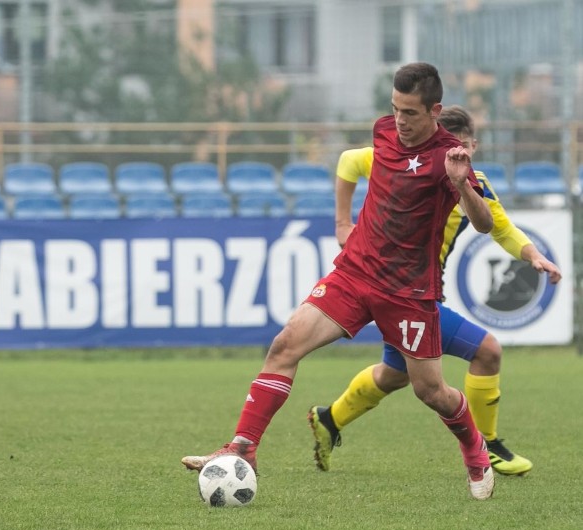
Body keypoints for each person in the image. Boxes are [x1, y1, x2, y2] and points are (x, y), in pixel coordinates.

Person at [182, 62, 498, 500]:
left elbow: (483, 224)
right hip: (355, 272)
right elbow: (352, 165)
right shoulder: (383, 131)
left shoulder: (450, 157)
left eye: (410, 113)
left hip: (407, 291)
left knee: (431, 391)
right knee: (284, 346)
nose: (400, 121)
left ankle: (474, 447)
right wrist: (342, 223)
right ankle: (243, 448)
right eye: (395, 109)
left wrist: (464, 186)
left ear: (435, 110)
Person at [308, 105, 562, 475]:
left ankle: (329, 419)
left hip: (415, 292)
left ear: (473, 146)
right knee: (487, 351)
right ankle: (488, 446)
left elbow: (501, 229)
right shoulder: (410, 163)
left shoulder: (474, 185)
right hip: (401, 292)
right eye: (448, 149)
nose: (454, 157)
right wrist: (342, 223)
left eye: (462, 150)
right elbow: (349, 160)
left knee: (394, 373)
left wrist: (533, 255)